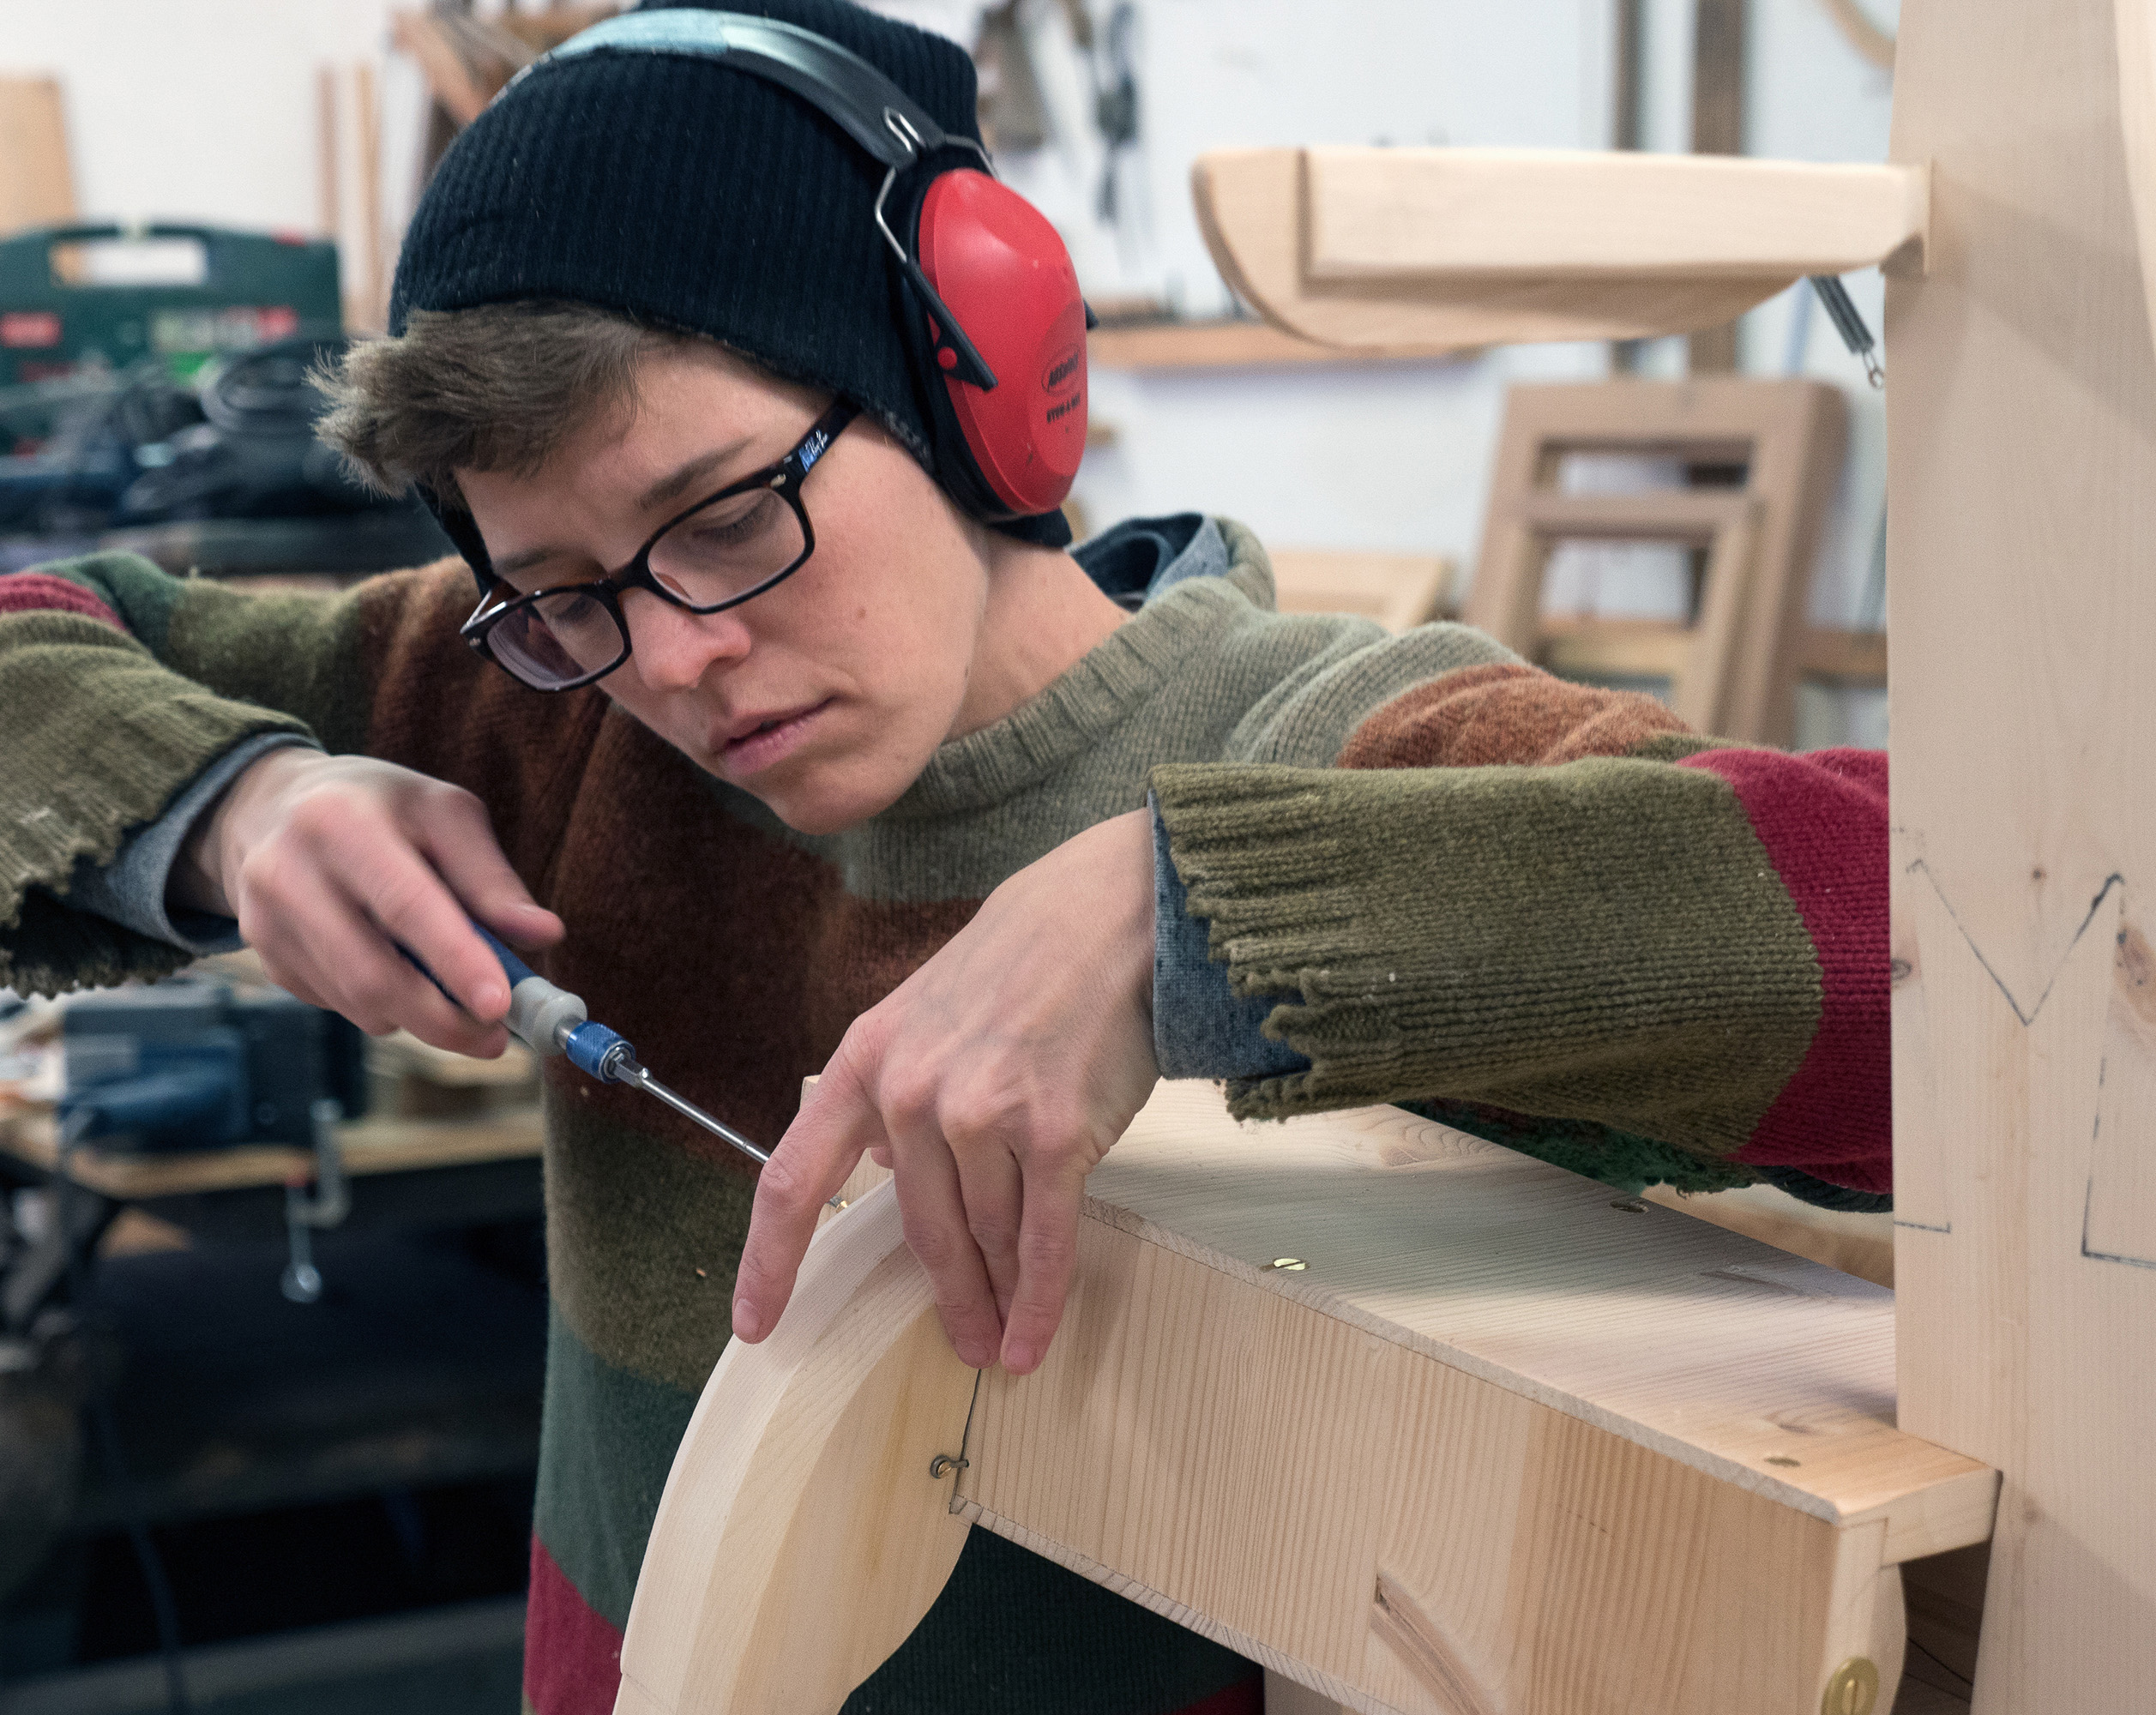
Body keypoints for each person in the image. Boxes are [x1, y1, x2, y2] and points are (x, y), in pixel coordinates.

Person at [0, 3, 1891, 1710]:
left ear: (973, 386)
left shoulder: (1327, 740)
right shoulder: (537, 694)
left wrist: (1183, 912)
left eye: (724, 517)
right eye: (556, 588)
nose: (667, 661)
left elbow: (1969, 957)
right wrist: (238, 801)